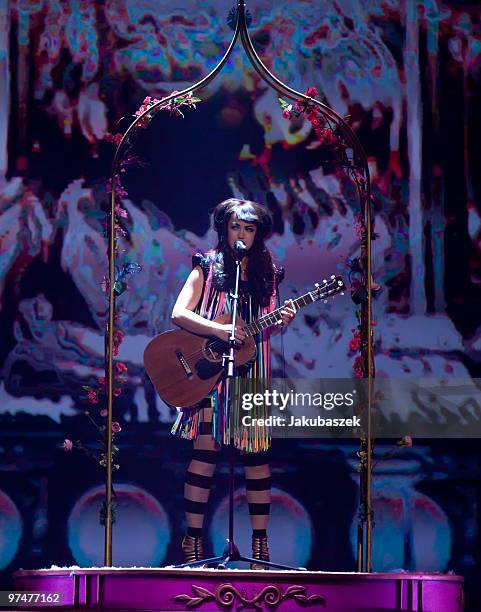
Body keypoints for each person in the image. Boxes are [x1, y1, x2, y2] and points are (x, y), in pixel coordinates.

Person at [171, 198, 296, 567]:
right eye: (236, 227)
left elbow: (262, 325)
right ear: (225, 229)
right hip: (210, 373)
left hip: (251, 371)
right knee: (205, 452)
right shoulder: (207, 267)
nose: (242, 234)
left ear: (259, 233)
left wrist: (281, 320)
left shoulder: (269, 272)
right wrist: (220, 330)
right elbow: (179, 313)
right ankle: (192, 541)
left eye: (250, 228)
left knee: (256, 456)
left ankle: (260, 545)